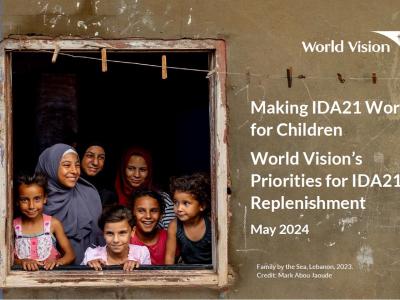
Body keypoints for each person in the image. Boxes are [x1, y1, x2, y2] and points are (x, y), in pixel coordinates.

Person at [35, 143, 103, 264]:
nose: (74, 171)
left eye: (77, 165)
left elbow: (100, 239)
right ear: (50, 167)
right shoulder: (35, 200)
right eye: (67, 165)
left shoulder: (89, 194)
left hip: (89, 271)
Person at [13, 173, 75, 271]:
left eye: (37, 199)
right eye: (24, 200)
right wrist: (21, 261)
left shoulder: (53, 224)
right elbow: (4, 258)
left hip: (50, 281)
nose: (31, 206)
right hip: (21, 281)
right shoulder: (13, 226)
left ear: (45, 198)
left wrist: (57, 262)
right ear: (17, 201)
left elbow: (70, 255)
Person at [114, 147, 174, 229]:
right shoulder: (111, 197)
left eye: (142, 170)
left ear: (149, 171)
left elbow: (172, 233)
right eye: (131, 169)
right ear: (123, 169)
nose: (137, 175)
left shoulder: (162, 198)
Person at [81, 205, 151, 271]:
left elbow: (148, 280)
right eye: (110, 233)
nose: (116, 240)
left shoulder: (142, 253)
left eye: (122, 233)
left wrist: (138, 268)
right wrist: (89, 268)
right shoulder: (91, 255)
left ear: (132, 231)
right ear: (103, 233)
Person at [165, 173, 212, 264]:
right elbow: (169, 257)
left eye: (186, 203)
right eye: (176, 202)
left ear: (202, 205)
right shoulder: (174, 226)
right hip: (187, 272)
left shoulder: (211, 223)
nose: (179, 208)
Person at [130, 190, 168, 265]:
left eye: (154, 211)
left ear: (161, 215)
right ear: (132, 213)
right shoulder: (126, 239)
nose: (148, 216)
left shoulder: (169, 238)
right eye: (141, 211)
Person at [78, 141, 117, 207]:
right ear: (80, 156)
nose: (95, 162)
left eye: (101, 157)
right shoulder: (70, 183)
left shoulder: (108, 194)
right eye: (90, 156)